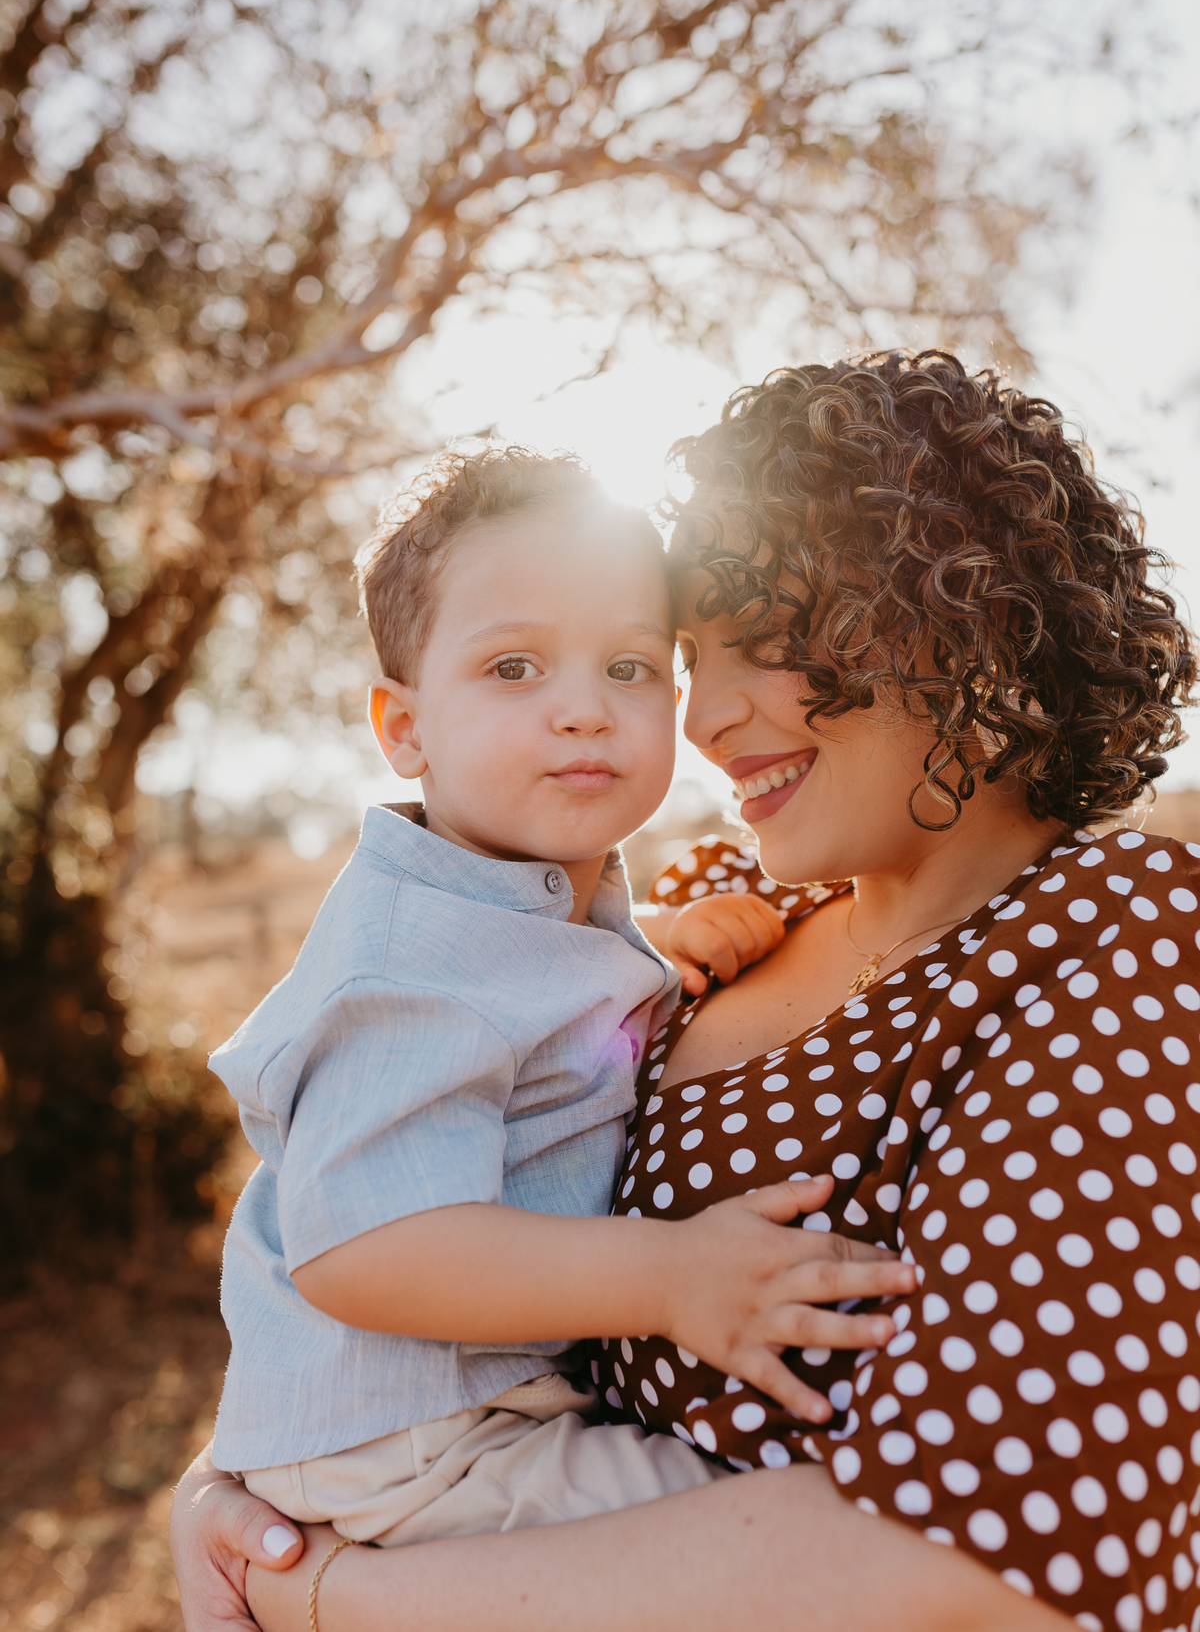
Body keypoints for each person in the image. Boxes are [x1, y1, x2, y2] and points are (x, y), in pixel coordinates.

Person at [171, 352, 1200, 1632]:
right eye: (690, 655)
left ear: (967, 615)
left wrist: (323, 1592)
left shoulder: (1120, 935)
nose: (705, 716)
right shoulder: (725, 898)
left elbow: (990, 1565)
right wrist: (234, 1485)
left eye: (763, 640)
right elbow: (376, 1209)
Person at [204, 446, 912, 1567]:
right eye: (516, 666)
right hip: (416, 1438)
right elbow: (369, 1248)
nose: (585, 710)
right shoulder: (404, 965)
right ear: (403, 727)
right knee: (779, 1525)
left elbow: (531, 1009)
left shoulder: (523, 902)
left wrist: (661, 947)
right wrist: (671, 1277)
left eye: (632, 667)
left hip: (456, 1419)